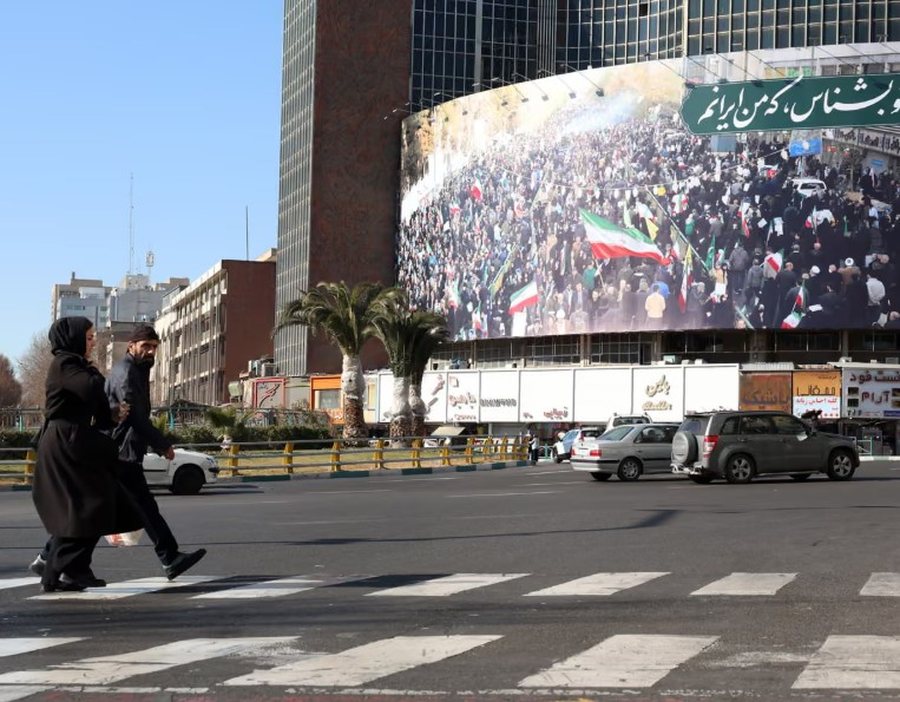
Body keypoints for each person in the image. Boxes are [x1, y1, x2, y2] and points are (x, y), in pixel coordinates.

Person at [31, 317, 143, 592]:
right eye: (89, 337)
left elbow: (95, 406)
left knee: (95, 505)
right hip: (66, 444)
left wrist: (113, 415)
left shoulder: (75, 365)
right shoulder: (65, 364)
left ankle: (75, 570)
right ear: (73, 338)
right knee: (87, 505)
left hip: (77, 441)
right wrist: (102, 380)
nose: (93, 342)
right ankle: (59, 569)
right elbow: (89, 388)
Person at [105, 323, 206, 580]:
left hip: (122, 449)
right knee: (143, 508)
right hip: (120, 451)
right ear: (131, 346)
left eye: (153, 347)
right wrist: (162, 445)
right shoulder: (127, 373)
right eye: (145, 346)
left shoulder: (135, 371)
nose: (150, 351)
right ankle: (170, 557)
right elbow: (133, 417)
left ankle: (49, 557)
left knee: (96, 509)